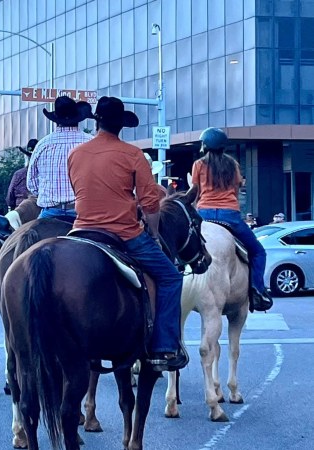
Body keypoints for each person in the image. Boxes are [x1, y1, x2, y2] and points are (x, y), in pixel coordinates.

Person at [68, 96, 188, 372]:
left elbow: (80, 191)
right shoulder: (133, 155)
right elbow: (150, 204)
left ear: (96, 122)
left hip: (81, 230)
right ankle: (163, 347)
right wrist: (154, 234)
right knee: (171, 277)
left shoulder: (75, 154)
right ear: (121, 125)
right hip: (122, 233)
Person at [187, 127, 273, 312]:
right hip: (230, 216)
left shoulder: (198, 165)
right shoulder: (233, 164)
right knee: (258, 252)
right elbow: (236, 189)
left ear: (204, 146)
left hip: (205, 214)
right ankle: (257, 290)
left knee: (183, 247)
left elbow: (195, 192)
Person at [27, 96, 93, 222]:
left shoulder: (43, 144)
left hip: (51, 211)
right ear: (78, 118)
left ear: (56, 119)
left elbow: (32, 184)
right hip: (84, 211)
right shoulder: (91, 142)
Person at [6, 138, 38, 210]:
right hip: (38, 209)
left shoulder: (18, 174)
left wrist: (11, 206)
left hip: (20, 209)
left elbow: (10, 195)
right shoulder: (42, 173)